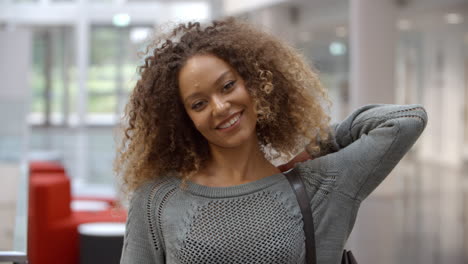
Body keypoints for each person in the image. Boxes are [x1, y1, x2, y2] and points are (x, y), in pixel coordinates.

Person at [115, 17, 427, 264]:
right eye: (199, 103)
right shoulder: (157, 199)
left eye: (227, 86)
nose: (220, 107)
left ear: (254, 83)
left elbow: (405, 121)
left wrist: (316, 148)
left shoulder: (319, 185)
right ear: (184, 120)